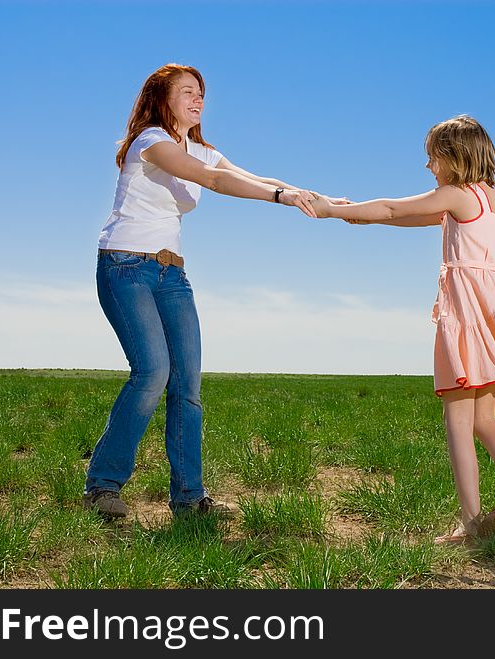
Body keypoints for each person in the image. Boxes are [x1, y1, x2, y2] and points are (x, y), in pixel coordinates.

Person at [311, 115, 495, 543]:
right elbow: (406, 216)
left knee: (457, 420)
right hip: (494, 313)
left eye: (431, 158)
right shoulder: (492, 200)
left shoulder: (454, 194)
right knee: (484, 419)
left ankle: (471, 524)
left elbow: (394, 207)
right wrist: (357, 216)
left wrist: (333, 211)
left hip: (467, 315)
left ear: (453, 157)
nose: (428, 167)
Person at [85, 63, 335, 518]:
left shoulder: (198, 147)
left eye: (201, 93)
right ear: (162, 98)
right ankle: (102, 487)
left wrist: (314, 196)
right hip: (124, 267)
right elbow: (216, 182)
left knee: (189, 386)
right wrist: (281, 199)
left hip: (172, 274)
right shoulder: (151, 143)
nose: (198, 100)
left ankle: (189, 499)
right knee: (152, 373)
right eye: (187, 92)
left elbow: (251, 176)